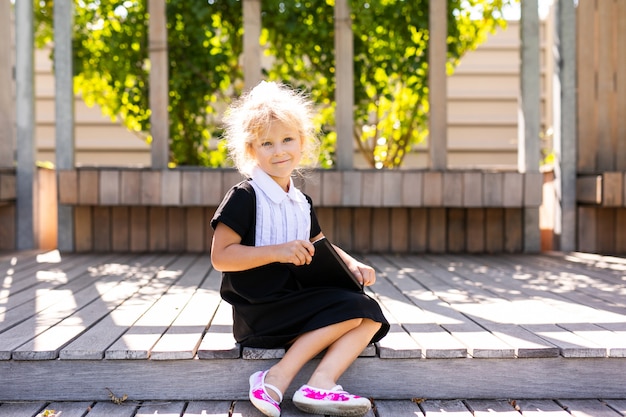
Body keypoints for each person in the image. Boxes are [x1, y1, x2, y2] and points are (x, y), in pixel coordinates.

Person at [210, 81, 389, 417]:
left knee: (369, 313)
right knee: (355, 310)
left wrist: (352, 264)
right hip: (260, 309)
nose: (279, 151)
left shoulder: (299, 201)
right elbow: (221, 257)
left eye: (287, 139)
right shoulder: (245, 196)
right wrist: (279, 251)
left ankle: (320, 384)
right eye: (267, 143)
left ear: (302, 142)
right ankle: (274, 378)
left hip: (295, 300)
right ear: (252, 150)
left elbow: (320, 242)